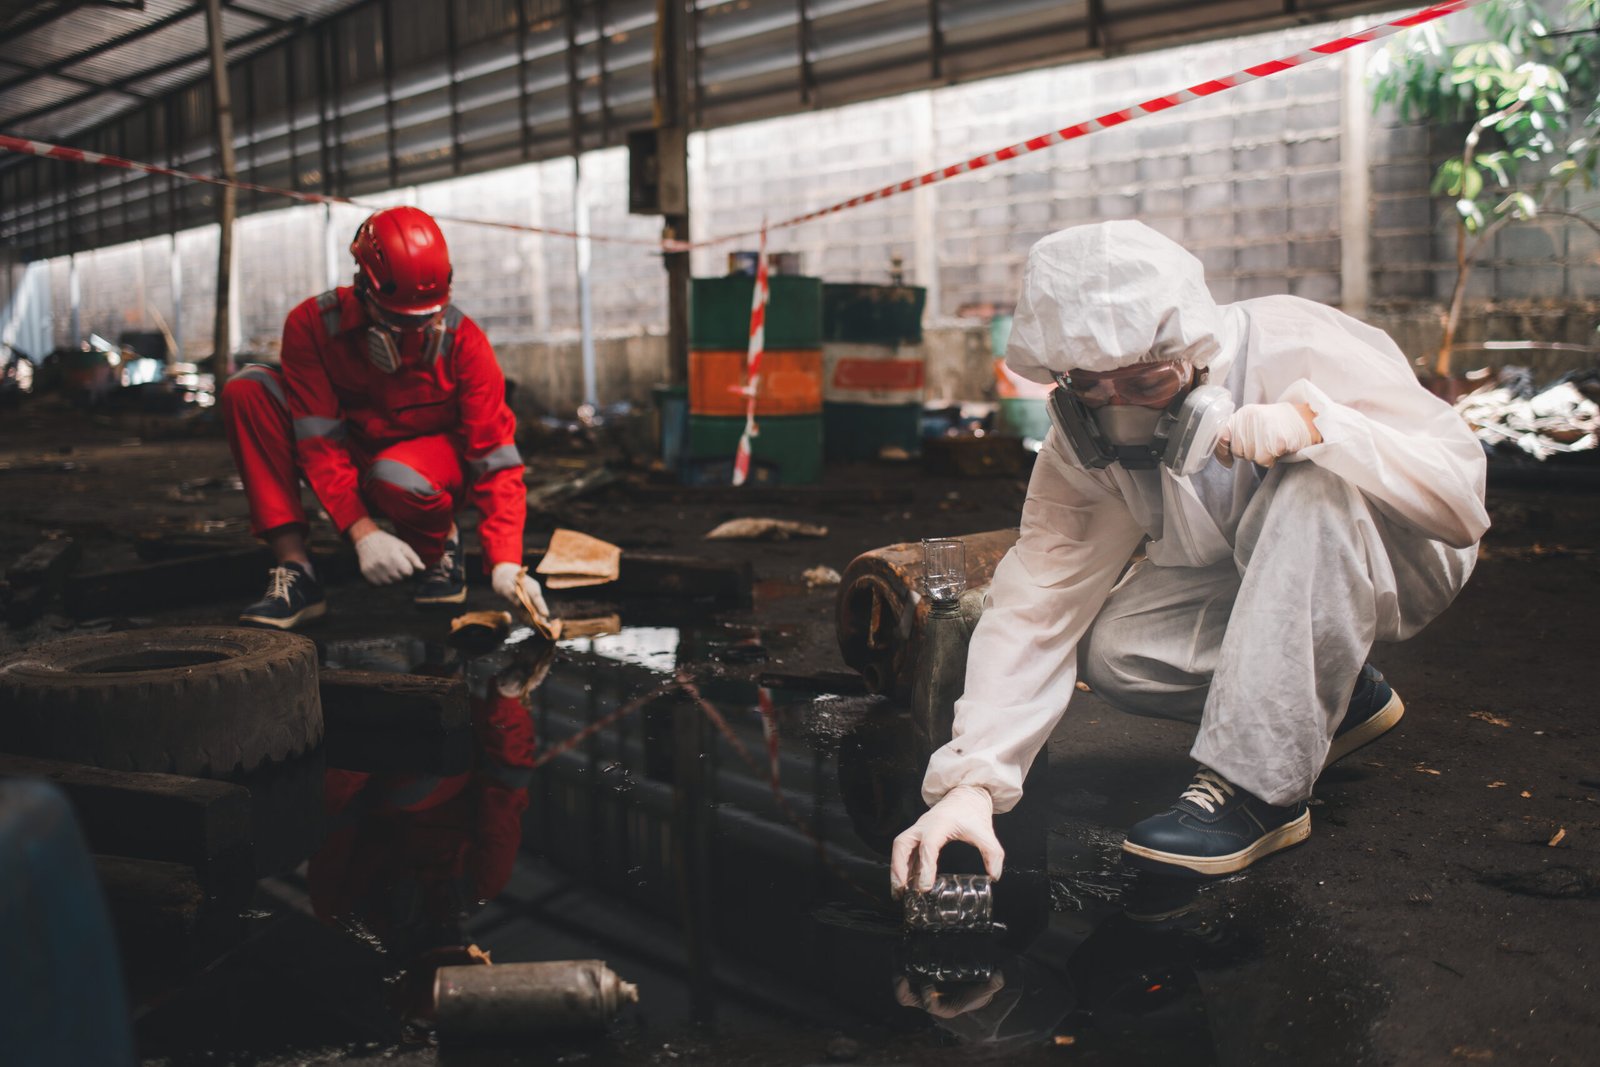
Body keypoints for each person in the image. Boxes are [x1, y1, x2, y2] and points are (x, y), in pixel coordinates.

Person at [890, 220, 1487, 888]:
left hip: (1402, 551)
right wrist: (971, 785)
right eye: (1090, 385)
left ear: (1198, 351)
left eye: (1147, 384)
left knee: (1314, 488)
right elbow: (1039, 600)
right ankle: (1342, 700)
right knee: (1119, 646)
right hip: (1252, 575)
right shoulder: (1087, 443)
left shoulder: (1298, 340)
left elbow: (1461, 504)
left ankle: (1260, 790)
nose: (1121, 410)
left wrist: (1323, 428)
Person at [220, 206, 547, 628]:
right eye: (396, 320)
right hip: (348, 457)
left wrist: (506, 563)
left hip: (421, 471)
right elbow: (318, 440)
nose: (412, 334)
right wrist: (362, 532)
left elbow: (496, 460)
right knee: (248, 389)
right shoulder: (312, 326)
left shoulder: (465, 342)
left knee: (397, 474)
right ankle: (297, 572)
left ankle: (437, 549)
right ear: (362, 285)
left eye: (427, 318)